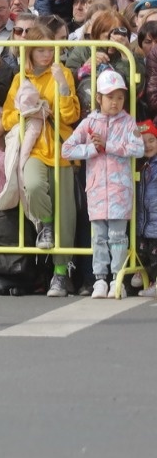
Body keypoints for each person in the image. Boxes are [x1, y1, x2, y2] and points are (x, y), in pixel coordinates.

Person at [2, 25, 81, 296]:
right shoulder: (19, 79)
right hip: (33, 148)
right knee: (34, 186)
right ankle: (44, 224)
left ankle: (61, 275)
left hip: (61, 149)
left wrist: (60, 86)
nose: (47, 54)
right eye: (40, 50)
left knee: (66, 215)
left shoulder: (64, 73)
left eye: (50, 48)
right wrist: (28, 113)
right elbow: (6, 119)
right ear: (30, 52)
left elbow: (70, 116)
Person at [62, 70, 143, 298]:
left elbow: (138, 148)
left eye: (119, 97)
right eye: (110, 97)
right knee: (98, 236)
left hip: (119, 191)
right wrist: (91, 149)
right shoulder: (89, 123)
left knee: (118, 236)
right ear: (98, 98)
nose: (115, 102)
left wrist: (109, 145)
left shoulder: (128, 122)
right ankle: (99, 279)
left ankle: (118, 278)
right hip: (97, 190)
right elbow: (66, 148)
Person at [136, 120, 157, 297]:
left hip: (155, 220)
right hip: (145, 221)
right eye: (143, 142)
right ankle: (150, 281)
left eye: (151, 140)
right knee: (147, 253)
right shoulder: (141, 166)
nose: (148, 145)